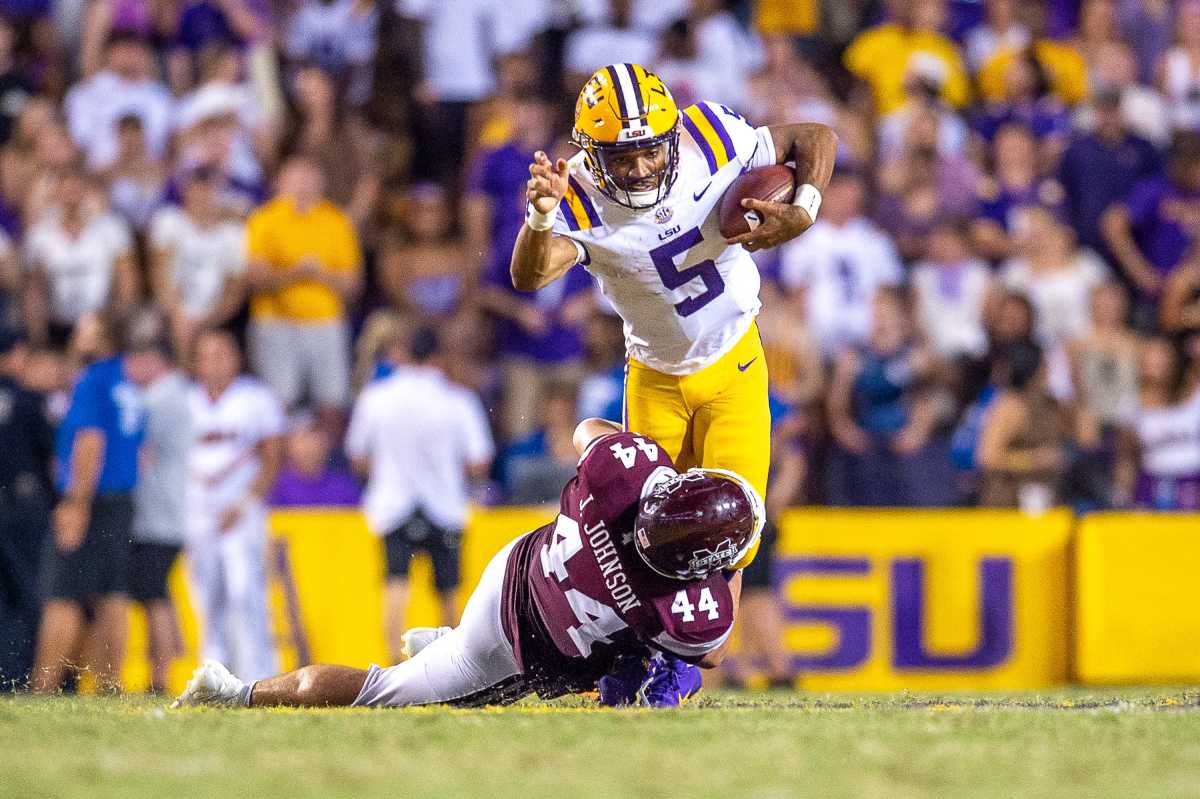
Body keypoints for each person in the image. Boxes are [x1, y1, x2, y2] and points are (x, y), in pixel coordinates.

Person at [173, 422, 762, 709]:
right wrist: (731, 569)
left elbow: (591, 433)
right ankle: (235, 694)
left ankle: (444, 641)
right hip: (516, 650)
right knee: (382, 695)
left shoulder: (623, 469)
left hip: (514, 569)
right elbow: (705, 651)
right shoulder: (692, 611)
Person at [512, 62, 836, 575]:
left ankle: (707, 649)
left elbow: (815, 137)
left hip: (734, 363)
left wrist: (806, 207)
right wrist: (540, 217)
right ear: (592, 155)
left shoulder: (710, 139)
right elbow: (529, 276)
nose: (640, 168)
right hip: (655, 376)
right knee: (646, 545)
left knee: (733, 543)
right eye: (622, 157)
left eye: (649, 150)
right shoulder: (574, 193)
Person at [344, 327, 494, 662]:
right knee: (449, 592)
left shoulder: (376, 397)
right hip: (445, 506)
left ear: (402, 353)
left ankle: (393, 667)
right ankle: (455, 668)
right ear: (437, 357)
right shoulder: (458, 400)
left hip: (393, 504)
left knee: (395, 586)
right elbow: (479, 461)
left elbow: (357, 456)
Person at [31, 314, 148, 693]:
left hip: (92, 497)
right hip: (121, 499)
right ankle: (110, 684)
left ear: (103, 338)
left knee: (61, 593)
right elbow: (141, 452)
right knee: (112, 593)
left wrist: (76, 504)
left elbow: (90, 442)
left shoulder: (93, 381)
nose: (77, 336)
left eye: (87, 329)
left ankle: (42, 686)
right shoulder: (127, 382)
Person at [186, 329, 284, 683]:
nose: (214, 362)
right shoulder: (185, 401)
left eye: (222, 354)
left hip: (242, 512)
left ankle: (260, 676)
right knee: (206, 597)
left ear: (237, 358)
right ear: (196, 362)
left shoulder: (256, 398)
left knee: (247, 592)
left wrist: (242, 504)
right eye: (207, 355)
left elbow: (272, 457)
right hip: (196, 512)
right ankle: (215, 676)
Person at [244, 155, 362, 430]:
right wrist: (298, 272)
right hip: (275, 321)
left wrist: (318, 274)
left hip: (326, 322)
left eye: (309, 176)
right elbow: (255, 277)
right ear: (280, 182)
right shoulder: (265, 219)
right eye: (295, 176)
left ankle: (328, 469)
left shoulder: (336, 221)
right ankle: (282, 469)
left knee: (332, 403)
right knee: (278, 403)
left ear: (322, 182)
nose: (302, 184)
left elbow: (353, 284)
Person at [128, 326, 190, 694]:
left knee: (152, 595)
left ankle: (161, 676)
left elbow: (142, 452)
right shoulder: (179, 393)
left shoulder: (158, 399)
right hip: (172, 511)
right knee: (157, 592)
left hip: (159, 514)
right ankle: (166, 662)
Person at [0, 329, 54, 688]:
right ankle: (23, 675)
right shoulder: (30, 399)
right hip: (24, 506)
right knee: (31, 592)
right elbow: (51, 456)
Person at [1116, 337, 1200, 511]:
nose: (1156, 365)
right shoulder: (1131, 404)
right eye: (1151, 360)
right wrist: (1122, 495)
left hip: (1193, 482)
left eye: (1162, 359)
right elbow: (1127, 456)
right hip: (1151, 484)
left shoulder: (1196, 396)